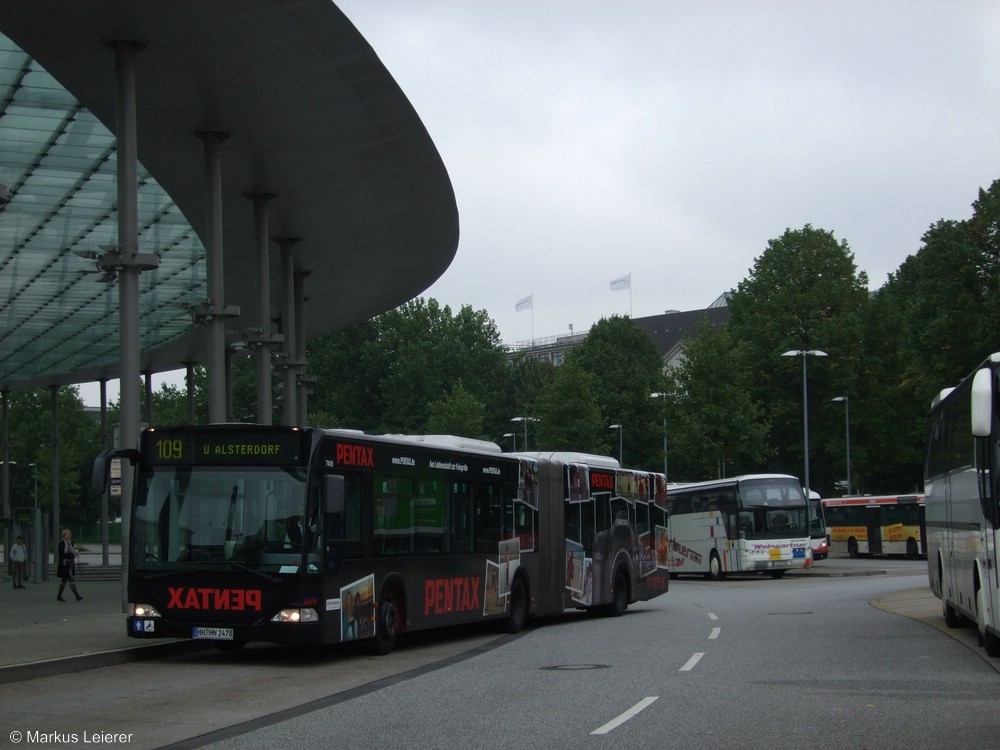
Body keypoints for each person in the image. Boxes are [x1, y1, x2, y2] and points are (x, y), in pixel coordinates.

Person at [56, 528, 83, 602]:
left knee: (64, 580)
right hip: (64, 564)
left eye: (69, 534)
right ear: (63, 536)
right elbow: (62, 555)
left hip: (70, 564)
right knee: (71, 579)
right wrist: (72, 555)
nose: (68, 536)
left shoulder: (71, 543)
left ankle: (59, 596)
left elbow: (72, 552)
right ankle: (77, 596)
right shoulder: (61, 544)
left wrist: (75, 554)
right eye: (67, 534)